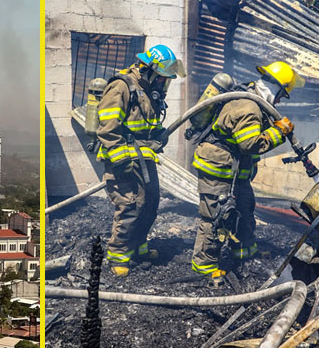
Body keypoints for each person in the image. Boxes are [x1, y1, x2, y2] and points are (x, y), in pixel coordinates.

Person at [190, 61, 304, 278]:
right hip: (219, 170)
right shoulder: (249, 107)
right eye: (281, 95)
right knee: (216, 217)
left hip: (234, 173)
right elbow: (249, 144)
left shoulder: (253, 101)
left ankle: (244, 253)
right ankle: (204, 267)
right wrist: (278, 134)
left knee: (244, 208)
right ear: (275, 88)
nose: (279, 101)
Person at [95, 44, 184, 277]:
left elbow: (144, 127)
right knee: (129, 207)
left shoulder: (146, 91)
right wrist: (120, 160)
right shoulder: (122, 87)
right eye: (162, 79)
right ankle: (118, 256)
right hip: (123, 162)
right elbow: (107, 129)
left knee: (150, 205)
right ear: (149, 70)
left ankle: (138, 248)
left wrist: (157, 135)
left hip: (143, 161)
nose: (163, 85)